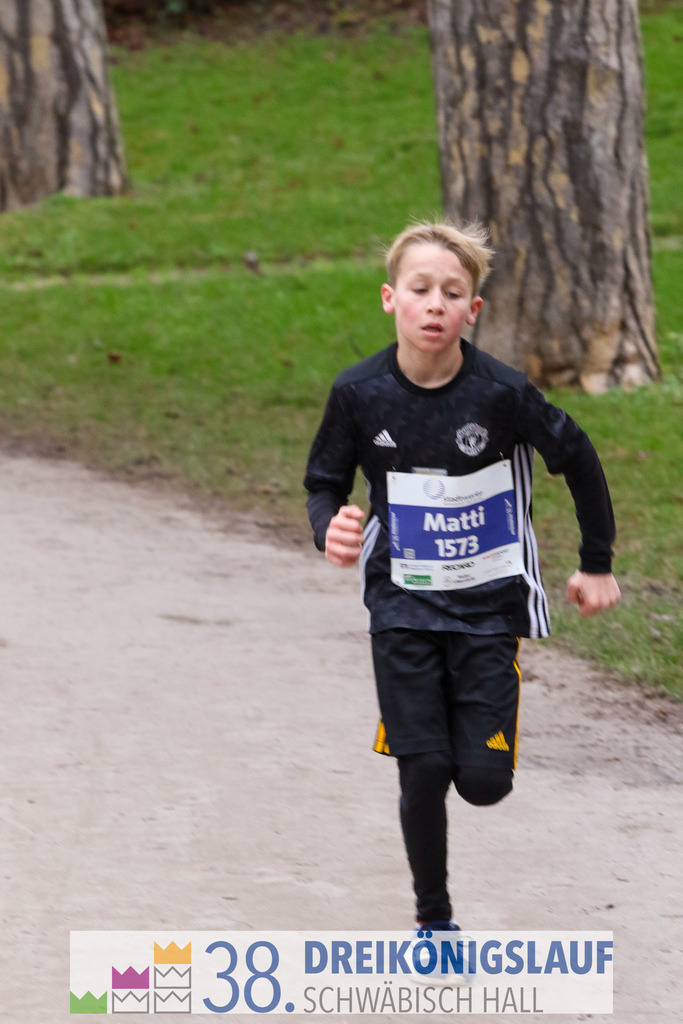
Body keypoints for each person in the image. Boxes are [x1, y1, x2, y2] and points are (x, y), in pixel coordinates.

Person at [304, 221, 620, 932]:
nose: (435, 304)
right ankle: (433, 919)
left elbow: (578, 457)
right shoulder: (358, 393)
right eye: (420, 289)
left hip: (487, 607)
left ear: (472, 311)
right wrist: (329, 526)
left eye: (452, 293)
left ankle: (457, 732)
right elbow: (324, 482)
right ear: (390, 298)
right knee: (422, 767)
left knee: (481, 783)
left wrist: (596, 562)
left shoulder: (501, 394)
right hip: (401, 604)